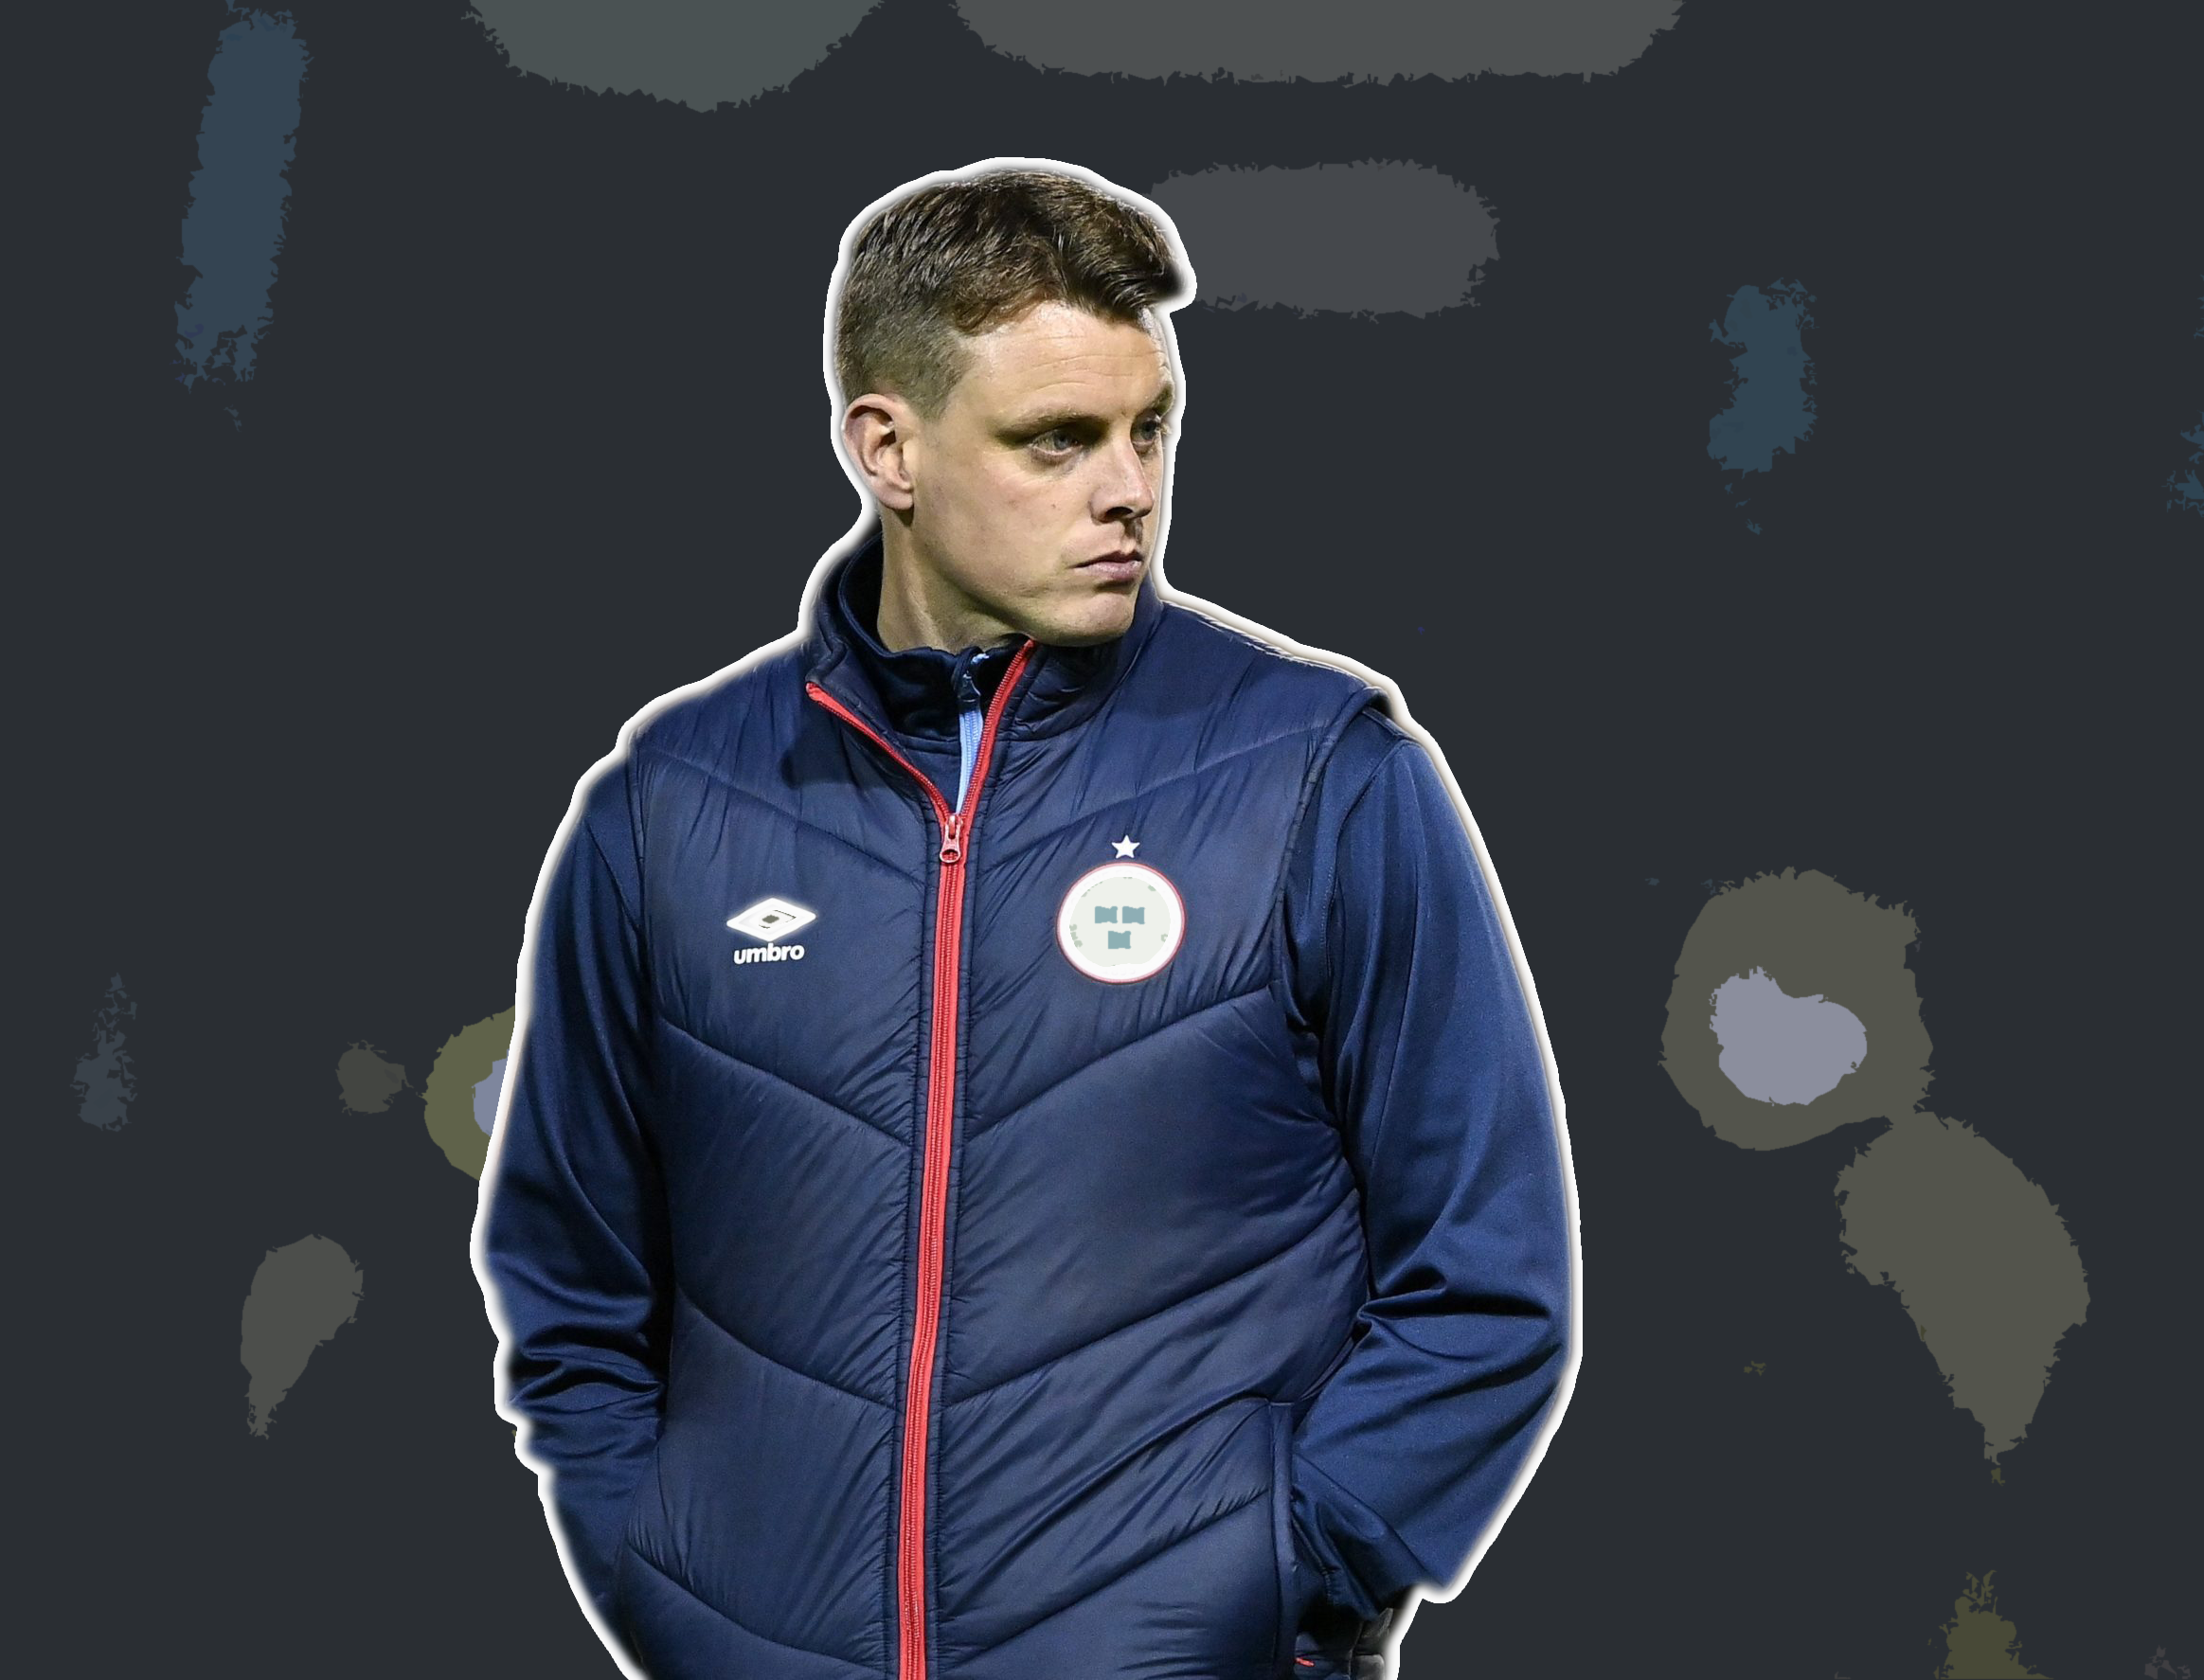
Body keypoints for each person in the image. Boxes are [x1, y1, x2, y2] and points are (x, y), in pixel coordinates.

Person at [475, 160, 1578, 1680]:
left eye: (1150, 429)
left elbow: (1488, 1286)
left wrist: (1278, 1573)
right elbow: (572, 1287)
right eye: (1057, 440)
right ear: (888, 447)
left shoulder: (1322, 774)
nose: (1129, 489)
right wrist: (669, 1582)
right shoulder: (672, 804)